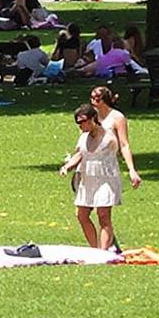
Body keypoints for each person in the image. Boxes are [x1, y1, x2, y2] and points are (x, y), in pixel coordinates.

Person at [62, 99, 129, 252]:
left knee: (103, 215)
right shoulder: (83, 136)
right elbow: (80, 154)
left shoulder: (108, 137)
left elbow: (121, 148)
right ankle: (94, 249)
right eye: (78, 123)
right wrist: (67, 166)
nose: (81, 126)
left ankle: (103, 252)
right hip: (88, 178)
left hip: (106, 178)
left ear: (93, 119)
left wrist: (131, 170)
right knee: (82, 215)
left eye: (83, 122)